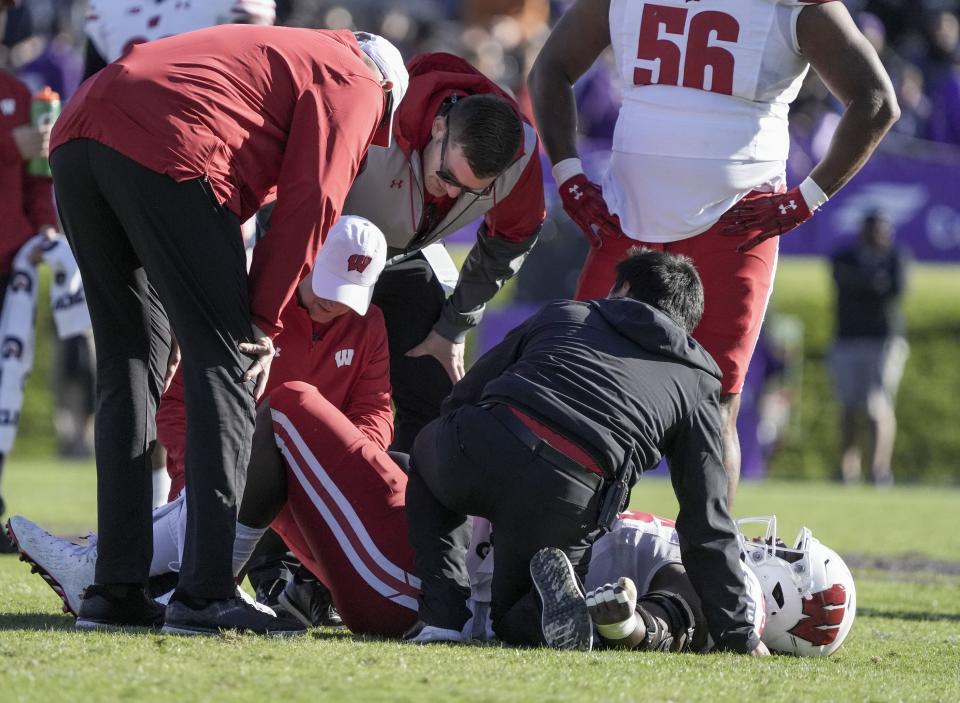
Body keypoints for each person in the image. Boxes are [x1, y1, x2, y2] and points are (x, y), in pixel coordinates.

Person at [48, 23, 408, 634]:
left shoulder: (296, 51)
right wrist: (263, 321)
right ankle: (205, 592)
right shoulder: (358, 79)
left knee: (129, 368)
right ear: (388, 92)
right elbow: (313, 199)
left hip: (81, 128)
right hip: (170, 144)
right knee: (229, 363)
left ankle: (116, 589)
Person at [528, 0, 900, 505]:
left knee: (711, 404)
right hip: (630, 214)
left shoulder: (791, 7)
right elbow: (550, 69)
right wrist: (569, 178)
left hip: (733, 220)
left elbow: (876, 100)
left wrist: (806, 199)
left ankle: (704, 568)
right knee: (583, 390)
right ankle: (571, 549)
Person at [405, 247, 768, 654]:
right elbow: (705, 516)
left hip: (490, 443)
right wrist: (739, 634)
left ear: (624, 288)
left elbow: (465, 395)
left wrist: (462, 448)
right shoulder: (698, 379)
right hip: (571, 494)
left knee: (425, 450)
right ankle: (539, 611)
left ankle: (442, 618)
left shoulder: (566, 313)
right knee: (514, 621)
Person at [260, 52, 545, 452]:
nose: (450, 194)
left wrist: (454, 325)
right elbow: (296, 196)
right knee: (264, 368)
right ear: (440, 127)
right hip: (312, 244)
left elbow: (511, 238)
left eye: (472, 191)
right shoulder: (376, 110)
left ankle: (397, 505)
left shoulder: (522, 156)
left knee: (439, 391)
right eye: (447, 177)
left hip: (402, 255)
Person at [0, 0, 57, 554]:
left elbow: (38, 180)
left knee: (4, 391)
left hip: (9, 261)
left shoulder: (20, 93)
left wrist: (45, 229)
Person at [829, 211, 909, 486]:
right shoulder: (843, 257)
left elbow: (895, 290)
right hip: (848, 339)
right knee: (848, 407)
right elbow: (846, 284)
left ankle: (879, 469)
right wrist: (874, 282)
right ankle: (847, 468)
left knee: (878, 405)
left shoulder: (897, 257)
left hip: (883, 340)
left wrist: (865, 283)